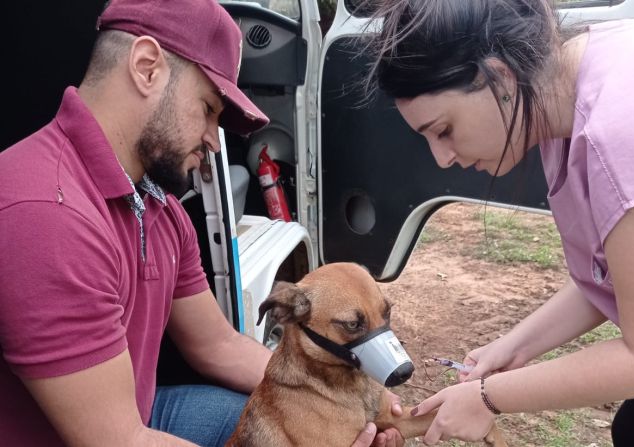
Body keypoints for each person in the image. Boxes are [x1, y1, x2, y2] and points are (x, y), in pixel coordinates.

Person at [0, 0, 403, 446]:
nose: (214, 141)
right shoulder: (46, 215)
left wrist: (334, 404)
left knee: (280, 416)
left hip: (141, 409)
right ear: (147, 67)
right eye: (209, 108)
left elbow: (218, 346)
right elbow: (119, 440)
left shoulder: (159, 206)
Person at [364, 0, 634, 445]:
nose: (443, 159)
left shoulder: (621, 130)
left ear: (499, 77)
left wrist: (488, 397)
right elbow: (618, 277)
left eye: (442, 130)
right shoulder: (566, 100)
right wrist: (512, 348)